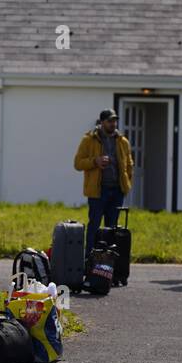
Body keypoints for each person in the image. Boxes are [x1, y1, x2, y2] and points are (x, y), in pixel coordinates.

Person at [73, 109, 133, 254]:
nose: (113, 124)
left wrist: (126, 184)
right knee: (94, 226)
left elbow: (129, 164)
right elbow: (78, 163)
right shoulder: (89, 140)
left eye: (114, 121)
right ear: (101, 123)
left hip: (117, 191)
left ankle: (108, 262)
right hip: (98, 191)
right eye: (109, 121)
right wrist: (95, 161)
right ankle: (89, 259)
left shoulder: (122, 141)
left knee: (112, 228)